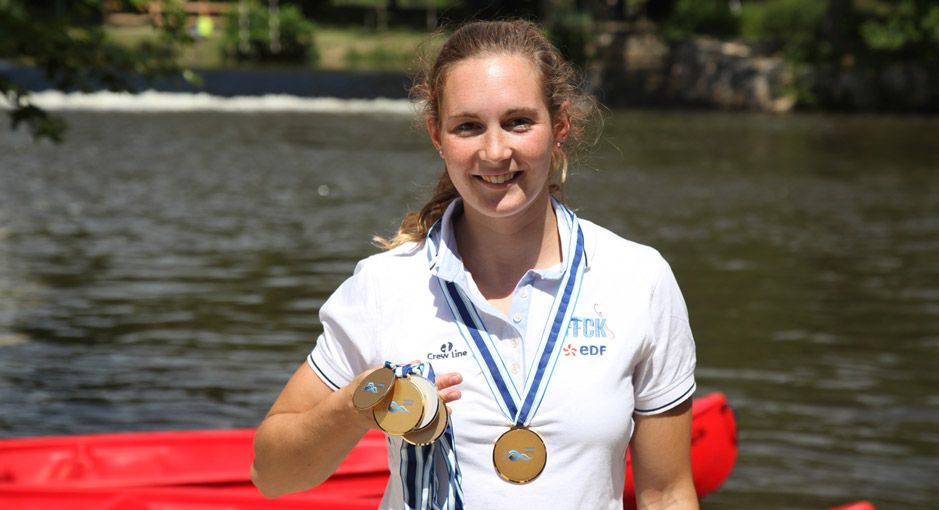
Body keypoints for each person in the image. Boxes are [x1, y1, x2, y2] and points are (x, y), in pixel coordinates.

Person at [250, 19, 698, 510]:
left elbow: (667, 492)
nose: (494, 151)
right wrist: (358, 405)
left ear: (561, 126)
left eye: (518, 122)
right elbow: (271, 475)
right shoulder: (385, 285)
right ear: (438, 137)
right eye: (468, 126)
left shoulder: (638, 278)